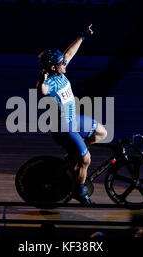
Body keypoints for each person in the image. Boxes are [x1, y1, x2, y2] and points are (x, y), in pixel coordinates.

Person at [36, 24, 108, 204]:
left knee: (102, 133)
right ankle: (79, 191)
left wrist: (82, 37)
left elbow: (69, 54)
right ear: (53, 68)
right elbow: (42, 91)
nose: (64, 63)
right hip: (63, 129)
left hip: (73, 120)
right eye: (61, 63)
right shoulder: (50, 82)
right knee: (86, 160)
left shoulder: (59, 71)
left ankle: (75, 156)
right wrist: (42, 79)